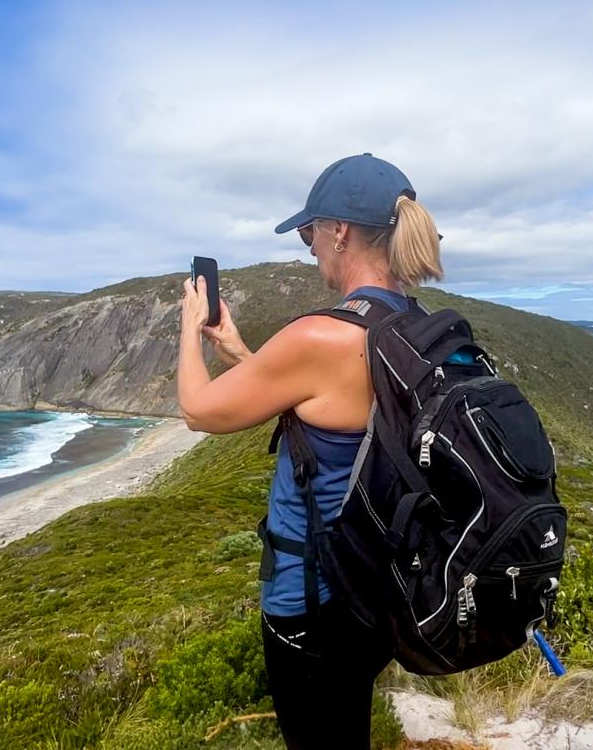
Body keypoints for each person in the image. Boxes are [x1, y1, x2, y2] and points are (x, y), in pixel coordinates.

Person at [177, 153, 444, 749]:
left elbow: (197, 410)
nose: (310, 246)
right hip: (375, 589)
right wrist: (244, 353)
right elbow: (337, 408)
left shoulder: (321, 335)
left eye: (310, 232)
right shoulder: (410, 325)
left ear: (340, 232)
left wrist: (191, 326)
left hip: (312, 602)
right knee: (345, 726)